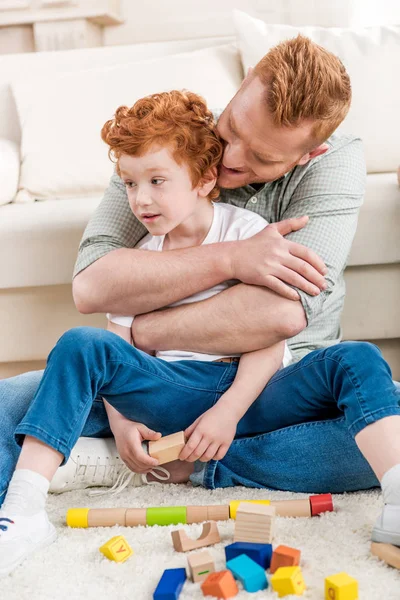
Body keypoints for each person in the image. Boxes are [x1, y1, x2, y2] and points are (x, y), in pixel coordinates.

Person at [1, 35, 400, 574]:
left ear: (308, 156)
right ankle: (48, 498)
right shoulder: (172, 147)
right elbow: (94, 290)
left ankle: (179, 465)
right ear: (236, 92)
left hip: (277, 387)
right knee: (24, 400)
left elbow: (281, 317)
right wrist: (235, 260)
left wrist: (148, 326)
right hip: (164, 384)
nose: (228, 157)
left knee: (374, 396)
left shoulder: (332, 165)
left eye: (260, 156)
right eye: (231, 129)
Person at [0, 89, 294, 575]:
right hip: (161, 390)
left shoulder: (246, 232)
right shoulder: (137, 255)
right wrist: (120, 419)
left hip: (235, 394)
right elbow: (113, 348)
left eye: (157, 180)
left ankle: (165, 465)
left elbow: (269, 341)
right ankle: (25, 508)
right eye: (130, 183)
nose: (141, 199)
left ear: (203, 179)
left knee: (353, 416)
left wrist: (226, 413)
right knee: (79, 346)